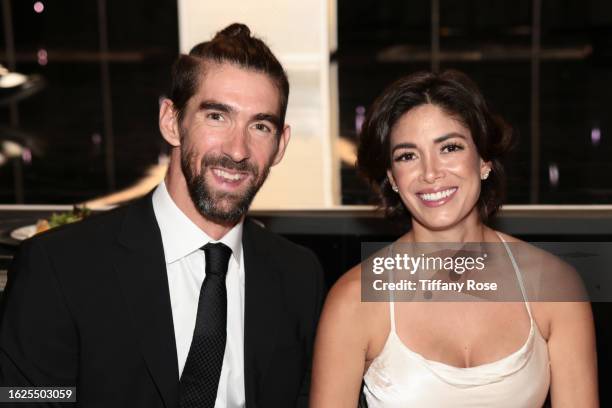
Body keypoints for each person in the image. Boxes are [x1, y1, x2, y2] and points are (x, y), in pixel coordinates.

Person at [0, 23, 325, 408]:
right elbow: (26, 398)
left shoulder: (298, 276)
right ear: (172, 121)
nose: (238, 150)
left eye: (259, 125)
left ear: (280, 144)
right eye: (216, 116)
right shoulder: (61, 266)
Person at [310, 70, 598, 407]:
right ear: (391, 177)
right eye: (408, 155)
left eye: (449, 147)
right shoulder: (353, 301)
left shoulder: (555, 285)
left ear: (484, 161)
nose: (430, 172)